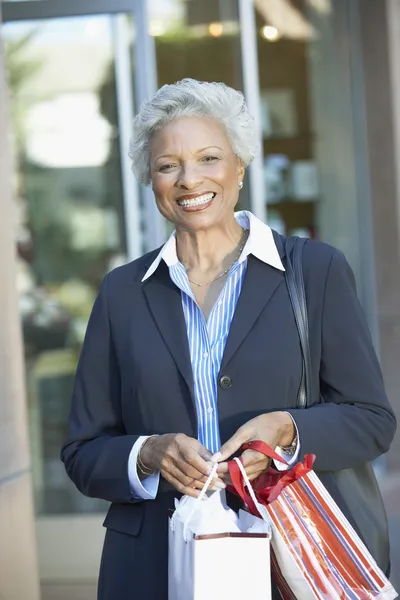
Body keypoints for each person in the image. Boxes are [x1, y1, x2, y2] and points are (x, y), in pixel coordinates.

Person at [61, 78, 396, 599]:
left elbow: (373, 421)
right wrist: (149, 452)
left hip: (292, 558)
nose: (189, 179)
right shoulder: (121, 292)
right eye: (168, 165)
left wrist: (285, 430)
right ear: (150, 181)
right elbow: (83, 452)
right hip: (156, 564)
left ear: (239, 165)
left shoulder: (314, 270)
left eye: (209, 158)